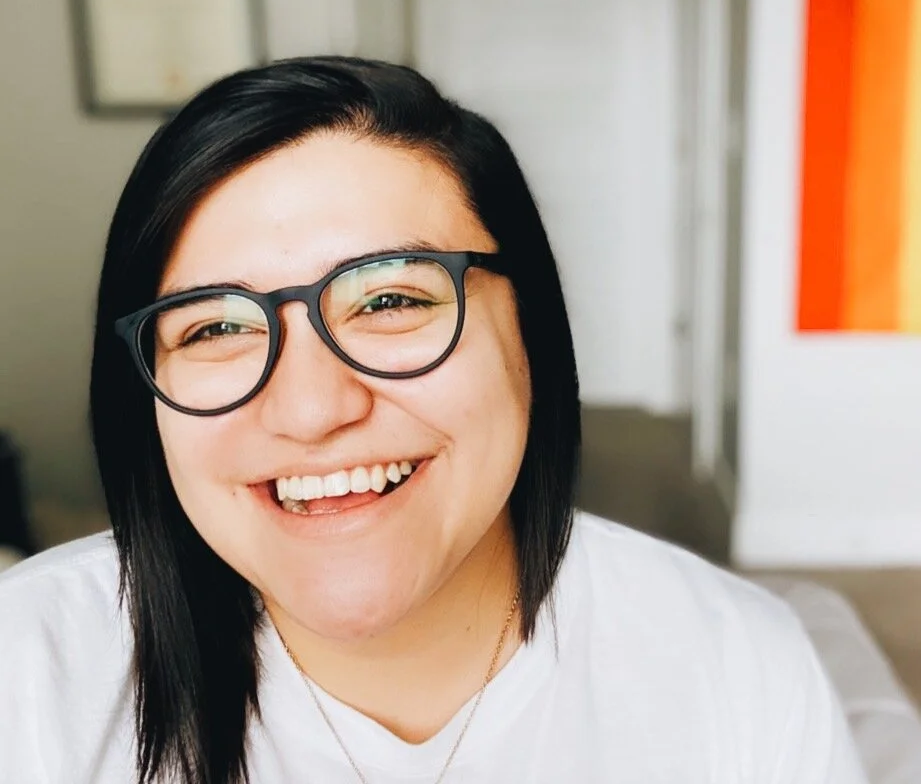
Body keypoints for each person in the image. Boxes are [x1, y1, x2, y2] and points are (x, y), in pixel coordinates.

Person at [0, 57, 867, 784]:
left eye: (388, 299)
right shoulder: (29, 675)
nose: (311, 409)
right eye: (217, 326)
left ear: (529, 331)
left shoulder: (739, 668)